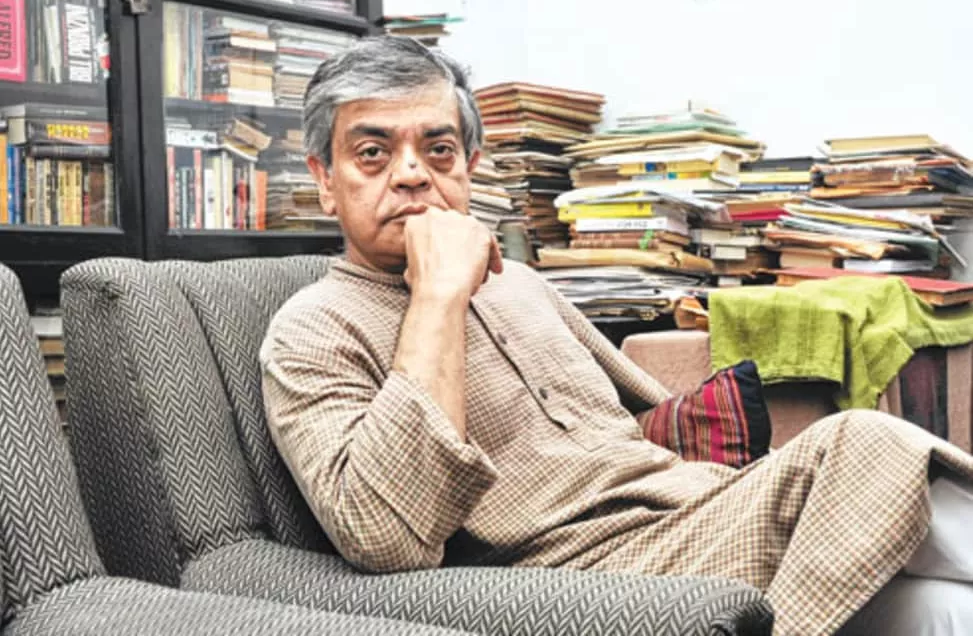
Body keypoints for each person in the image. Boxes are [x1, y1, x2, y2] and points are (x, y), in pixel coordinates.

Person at [259, 35, 973, 635]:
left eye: (439, 150)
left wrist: (751, 477)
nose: (413, 174)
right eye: (373, 153)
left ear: (469, 170)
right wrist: (438, 298)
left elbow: (647, 411)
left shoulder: (519, 282)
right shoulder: (310, 332)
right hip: (590, 572)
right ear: (326, 181)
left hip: (700, 516)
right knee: (859, 441)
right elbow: (385, 536)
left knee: (943, 609)